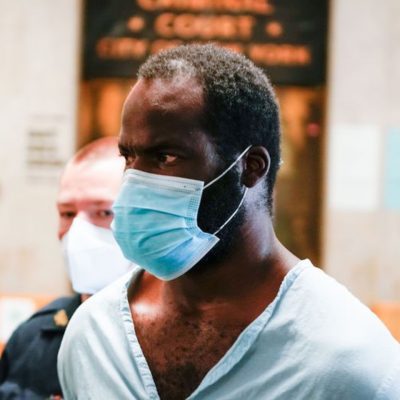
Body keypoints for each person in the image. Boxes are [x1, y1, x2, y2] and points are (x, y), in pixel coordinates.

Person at [58, 44, 400, 400]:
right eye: (128, 157)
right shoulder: (94, 337)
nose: (133, 185)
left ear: (250, 167)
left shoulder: (349, 365)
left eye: (165, 156)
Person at [0, 137, 133, 399]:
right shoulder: (34, 339)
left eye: (103, 212)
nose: (77, 232)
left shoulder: (177, 341)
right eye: (67, 213)